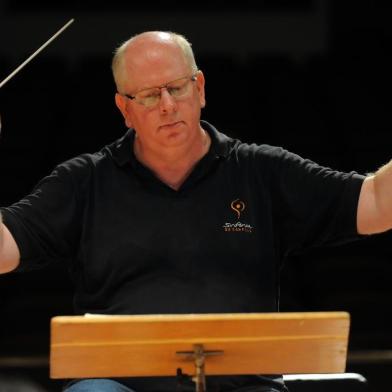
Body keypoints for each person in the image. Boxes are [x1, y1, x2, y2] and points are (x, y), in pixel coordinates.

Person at [0, 30, 391, 392]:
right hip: (118, 384)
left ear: (200, 87)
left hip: (244, 384)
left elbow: (374, 204)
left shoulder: (262, 171)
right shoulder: (84, 181)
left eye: (177, 87)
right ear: (124, 108)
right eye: (150, 96)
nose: (168, 106)